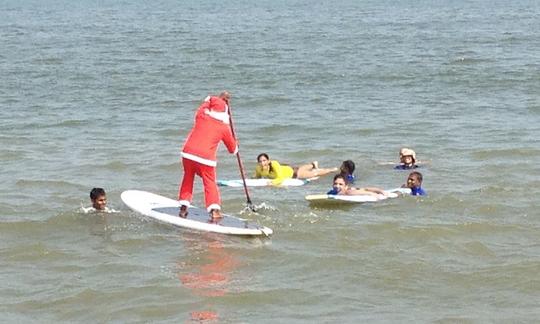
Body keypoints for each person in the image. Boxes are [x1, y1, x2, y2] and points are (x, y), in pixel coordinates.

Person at [178, 91, 238, 220]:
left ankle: (183, 208)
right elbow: (233, 150)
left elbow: (204, 105)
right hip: (205, 159)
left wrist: (213, 98)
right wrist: (236, 146)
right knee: (209, 182)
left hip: (187, 153)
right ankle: (214, 211)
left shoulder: (201, 116)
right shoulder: (224, 127)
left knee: (188, 177)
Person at [254, 153, 337, 186]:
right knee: (301, 168)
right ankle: (313, 164)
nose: (262, 163)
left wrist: (272, 182)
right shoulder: (258, 168)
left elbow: (280, 178)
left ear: (268, 161)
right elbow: (257, 177)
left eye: (264, 160)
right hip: (288, 169)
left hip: (293, 173)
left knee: (315, 174)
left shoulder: (274, 164)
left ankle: (331, 170)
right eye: (260, 161)